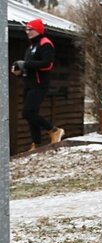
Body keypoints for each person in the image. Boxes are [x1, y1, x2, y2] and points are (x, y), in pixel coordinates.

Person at [11, 18, 64, 151]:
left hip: (39, 84)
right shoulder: (30, 47)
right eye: (26, 29)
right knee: (32, 114)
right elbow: (29, 67)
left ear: (38, 30)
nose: (27, 32)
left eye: (31, 29)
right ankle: (36, 143)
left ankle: (54, 130)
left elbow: (47, 64)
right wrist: (19, 71)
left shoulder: (45, 44)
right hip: (28, 83)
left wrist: (26, 64)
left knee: (27, 112)